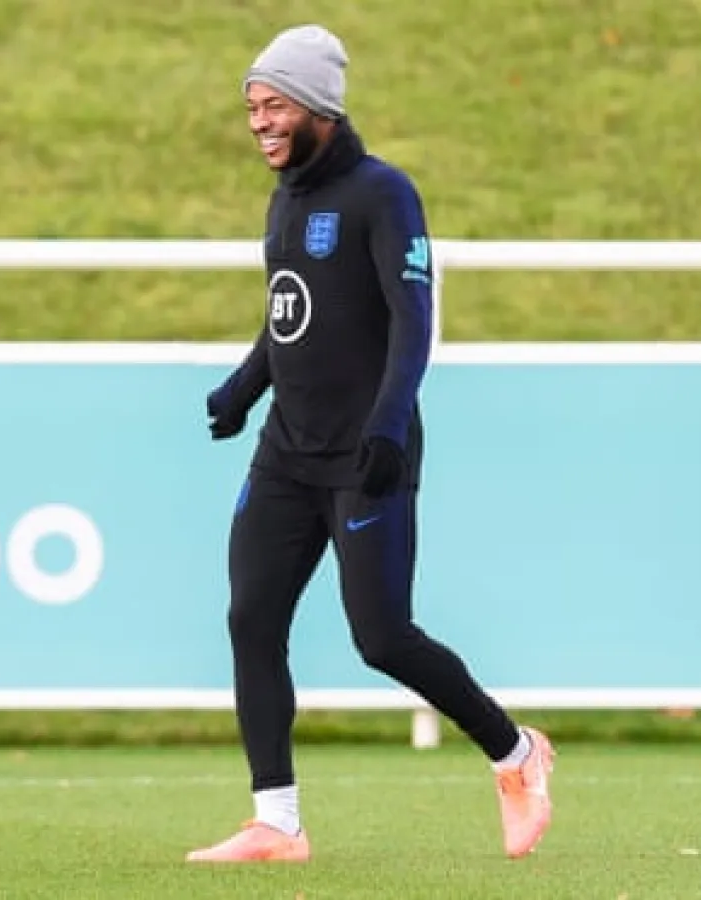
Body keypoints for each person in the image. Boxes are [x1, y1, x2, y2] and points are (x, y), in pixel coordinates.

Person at [188, 25, 556, 863]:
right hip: (288, 451)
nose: (260, 122)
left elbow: (411, 318)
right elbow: (290, 308)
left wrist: (390, 424)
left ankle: (517, 754)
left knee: (383, 638)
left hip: (366, 453)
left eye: (274, 104)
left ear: (318, 105)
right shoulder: (285, 198)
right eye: (251, 107)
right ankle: (276, 822)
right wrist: (246, 389)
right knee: (251, 618)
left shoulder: (383, 194)